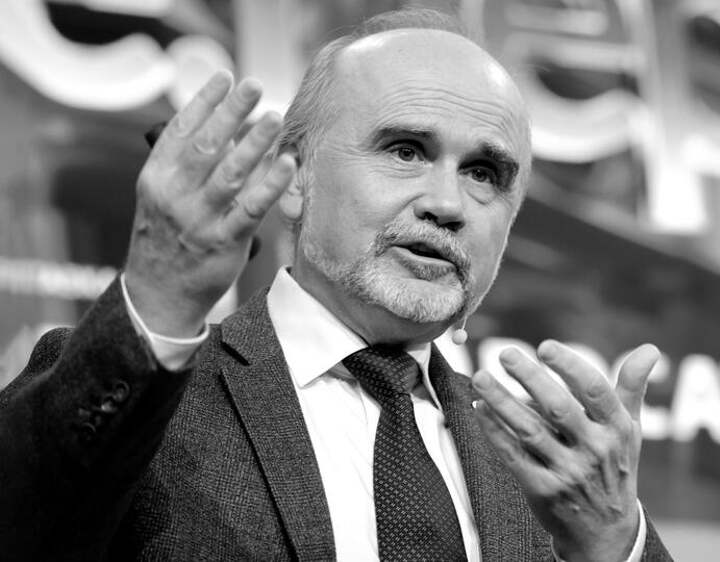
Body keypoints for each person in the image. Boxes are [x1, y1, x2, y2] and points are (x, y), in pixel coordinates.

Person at [0, 8, 672, 562]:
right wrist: (160, 300)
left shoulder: (548, 474)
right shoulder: (145, 394)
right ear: (294, 178)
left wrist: (614, 542)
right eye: (405, 150)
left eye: (484, 174)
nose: (447, 204)